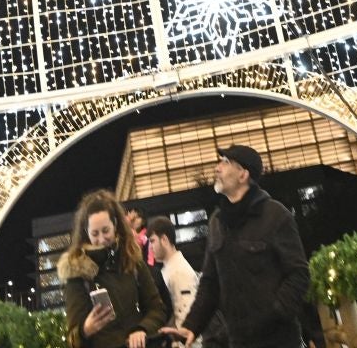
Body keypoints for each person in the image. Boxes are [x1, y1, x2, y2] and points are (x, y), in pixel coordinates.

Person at [165, 145, 310, 348]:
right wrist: (192, 326)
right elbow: (209, 283)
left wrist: (275, 313)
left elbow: (299, 274)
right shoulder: (217, 221)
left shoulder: (275, 215)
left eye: (225, 162)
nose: (217, 168)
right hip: (238, 341)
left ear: (243, 174)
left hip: (279, 340)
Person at [60, 189, 169, 348]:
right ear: (86, 232)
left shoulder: (131, 259)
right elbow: (72, 339)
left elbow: (157, 309)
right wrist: (86, 329)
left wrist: (141, 329)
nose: (101, 239)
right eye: (95, 233)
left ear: (115, 225)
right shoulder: (76, 271)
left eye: (105, 231)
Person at [146, 215, 198, 328]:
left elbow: (185, 316)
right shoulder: (170, 269)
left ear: (164, 240)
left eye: (153, 241)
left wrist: (178, 343)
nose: (150, 248)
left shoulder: (179, 272)